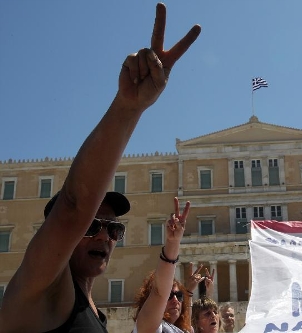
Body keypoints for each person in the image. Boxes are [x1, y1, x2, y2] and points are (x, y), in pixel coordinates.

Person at [0, 3, 201, 332]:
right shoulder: (39, 291)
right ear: (55, 232)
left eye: (115, 230)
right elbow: (73, 207)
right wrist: (129, 108)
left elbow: (165, 289)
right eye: (93, 226)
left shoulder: (90, 311)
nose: (106, 236)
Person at [133, 259, 216, 333]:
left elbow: (187, 322)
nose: (175, 300)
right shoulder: (151, 327)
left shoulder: (180, 329)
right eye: (169, 296)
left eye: (179, 295)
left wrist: (190, 292)